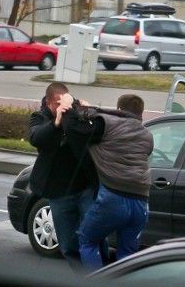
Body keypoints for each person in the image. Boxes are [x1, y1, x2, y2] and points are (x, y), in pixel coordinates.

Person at [60, 93, 153, 272]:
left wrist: (68, 108)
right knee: (127, 253)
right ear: (141, 113)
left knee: (87, 239)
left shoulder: (107, 125)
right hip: (141, 203)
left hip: (114, 197)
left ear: (118, 109)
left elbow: (74, 129)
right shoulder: (147, 135)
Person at [28, 82, 102, 273]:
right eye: (58, 105)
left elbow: (96, 134)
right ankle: (81, 278)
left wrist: (88, 114)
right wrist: (57, 122)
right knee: (67, 243)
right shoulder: (40, 117)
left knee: (94, 234)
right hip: (59, 193)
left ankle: (101, 276)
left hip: (85, 187)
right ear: (50, 104)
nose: (63, 109)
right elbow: (36, 139)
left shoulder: (76, 114)